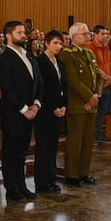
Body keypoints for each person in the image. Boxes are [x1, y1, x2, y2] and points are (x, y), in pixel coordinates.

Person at [0, 21, 42, 201]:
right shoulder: (4, 59)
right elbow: (7, 88)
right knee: (10, 152)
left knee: (22, 152)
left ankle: (22, 186)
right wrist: (24, 109)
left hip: (31, 111)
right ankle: (11, 188)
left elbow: (39, 83)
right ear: (8, 35)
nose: (24, 35)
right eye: (19, 32)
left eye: (24, 32)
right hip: (14, 113)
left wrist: (36, 104)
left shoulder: (29, 56)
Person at [58, 22, 102, 187]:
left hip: (92, 103)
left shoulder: (89, 53)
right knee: (75, 141)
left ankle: (84, 172)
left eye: (88, 33)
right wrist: (89, 98)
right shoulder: (67, 55)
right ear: (74, 36)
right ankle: (71, 174)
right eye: (84, 34)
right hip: (78, 104)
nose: (88, 36)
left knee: (87, 141)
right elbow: (73, 81)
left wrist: (96, 95)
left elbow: (97, 76)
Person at [34, 30, 67, 192]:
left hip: (59, 109)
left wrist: (63, 105)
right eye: (55, 43)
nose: (58, 46)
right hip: (45, 110)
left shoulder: (59, 62)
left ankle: (51, 178)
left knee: (53, 145)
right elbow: (43, 88)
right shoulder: (40, 61)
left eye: (60, 43)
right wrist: (53, 107)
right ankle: (41, 181)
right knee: (43, 146)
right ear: (46, 43)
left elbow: (63, 86)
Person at [87, 25, 111, 144]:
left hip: (107, 85)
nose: (105, 36)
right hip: (96, 86)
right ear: (95, 34)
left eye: (107, 34)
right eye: (103, 34)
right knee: (93, 112)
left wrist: (110, 78)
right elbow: (95, 67)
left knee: (102, 112)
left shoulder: (106, 48)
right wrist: (107, 77)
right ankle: (92, 137)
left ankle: (99, 136)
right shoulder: (90, 48)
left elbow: (109, 64)